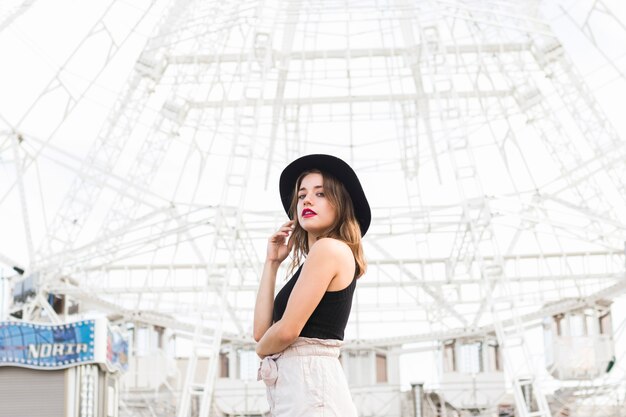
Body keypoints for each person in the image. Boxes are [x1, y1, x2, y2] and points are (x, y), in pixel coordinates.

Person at [253, 154, 371, 417]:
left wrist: (260, 352)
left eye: (320, 194)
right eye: (302, 195)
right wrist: (272, 263)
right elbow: (262, 333)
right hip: (301, 389)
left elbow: (285, 333)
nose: (306, 200)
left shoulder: (329, 249)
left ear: (341, 204)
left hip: (312, 390)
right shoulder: (313, 261)